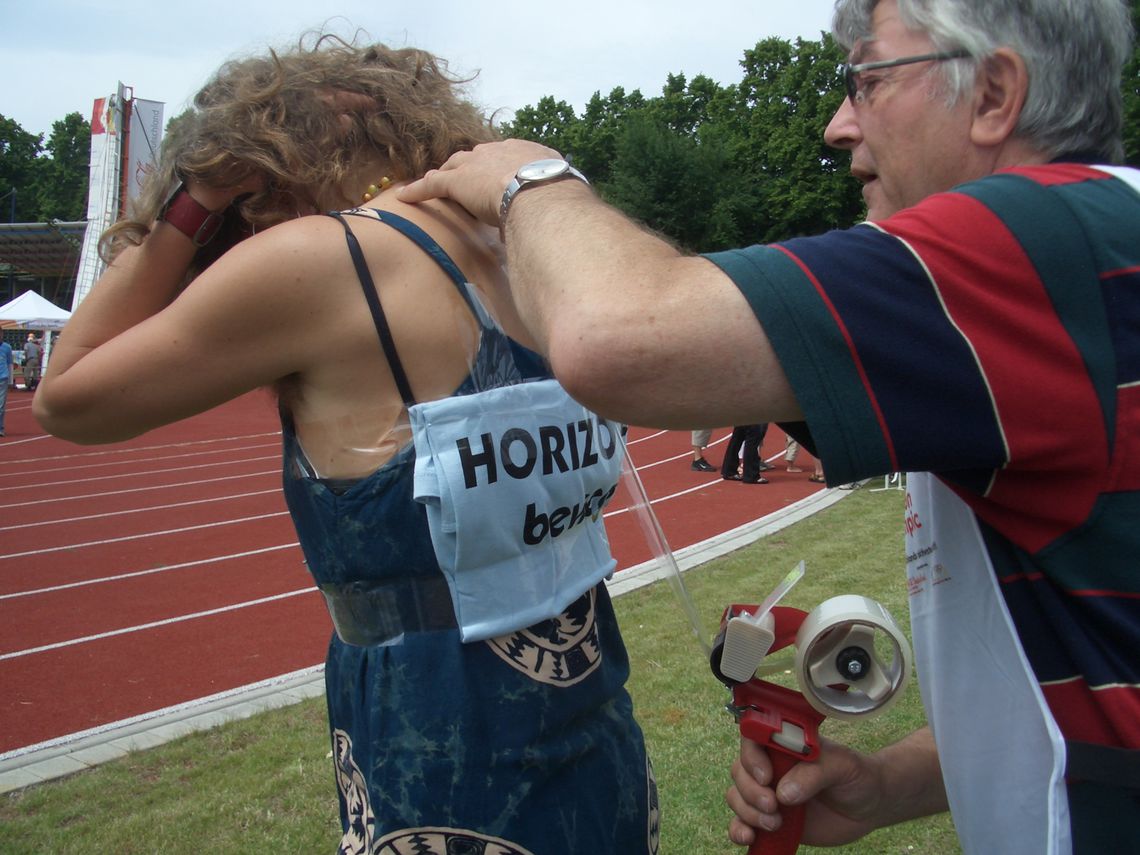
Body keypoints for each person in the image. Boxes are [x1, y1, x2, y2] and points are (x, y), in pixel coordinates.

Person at [397, 0, 1139, 851]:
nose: (837, 126)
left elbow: (619, 337)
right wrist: (887, 785)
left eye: (866, 80)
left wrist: (527, 178)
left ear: (995, 93)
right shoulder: (1092, 249)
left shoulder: (1033, 245)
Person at [33, 33, 658, 854]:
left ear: (262, 160)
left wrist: (193, 202)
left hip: (436, 734)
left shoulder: (327, 258)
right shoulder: (520, 240)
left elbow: (68, 398)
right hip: (594, 713)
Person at [0, 336, 12, 437]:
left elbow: (10, 364)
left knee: (1, 406)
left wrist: (11, 381)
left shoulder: (7, 347)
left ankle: (0, 428)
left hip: (3, 378)